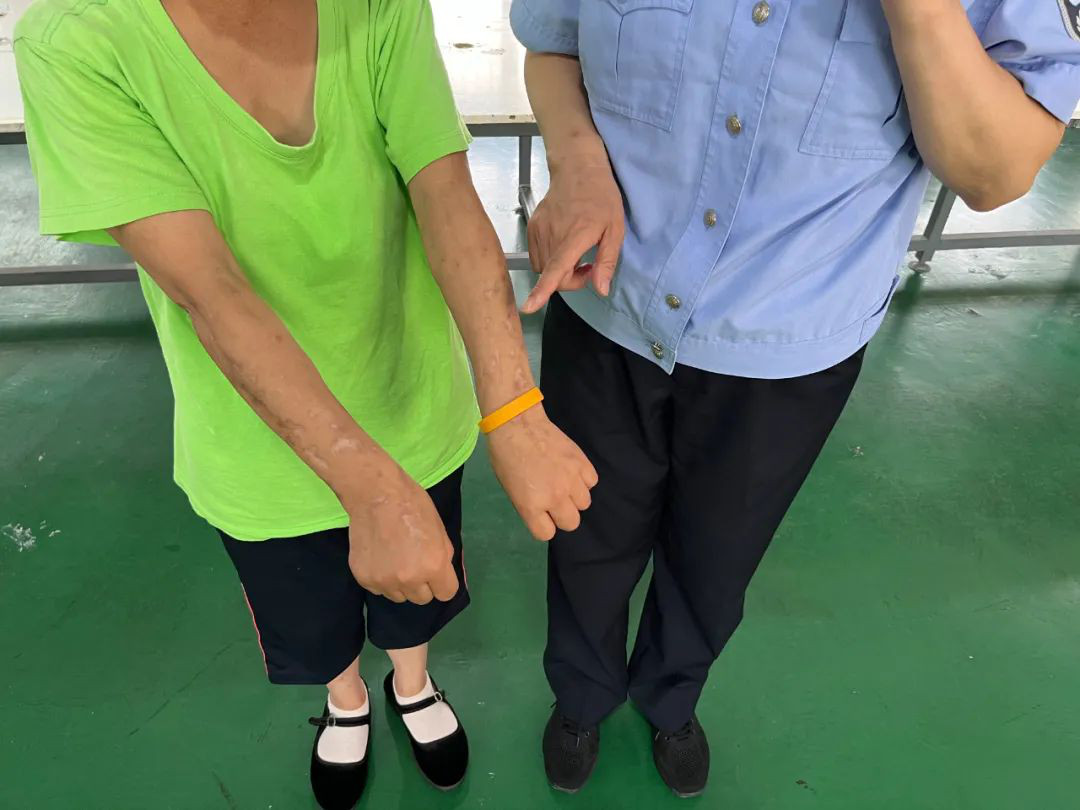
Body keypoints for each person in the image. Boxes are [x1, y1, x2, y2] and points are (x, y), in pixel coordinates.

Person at [14, 0, 597, 807]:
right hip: (258, 446)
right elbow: (209, 289)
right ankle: (345, 700)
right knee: (311, 614)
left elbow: (442, 187)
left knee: (417, 589)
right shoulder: (79, 39)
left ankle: (413, 686)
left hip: (408, 400)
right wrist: (369, 488)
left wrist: (512, 407)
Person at [511, 0, 1080, 798]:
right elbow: (552, 43)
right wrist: (576, 164)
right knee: (587, 536)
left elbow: (996, 173)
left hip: (789, 338)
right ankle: (581, 698)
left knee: (715, 558)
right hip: (609, 295)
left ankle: (671, 698)